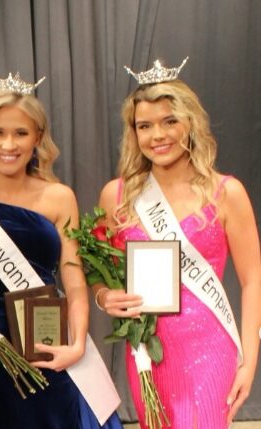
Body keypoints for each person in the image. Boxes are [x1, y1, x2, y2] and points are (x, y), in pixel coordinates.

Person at [0, 70, 122, 429]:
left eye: (20, 133)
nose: (9, 145)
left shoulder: (59, 197)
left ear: (37, 137)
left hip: (51, 344)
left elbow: (75, 281)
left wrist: (77, 345)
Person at [93, 58, 261, 428]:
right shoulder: (116, 196)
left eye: (170, 121)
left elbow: (253, 280)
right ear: (134, 133)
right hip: (147, 351)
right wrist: (104, 297)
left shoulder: (226, 192)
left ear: (191, 123)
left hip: (210, 347)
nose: (158, 135)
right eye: (145, 125)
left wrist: (250, 360)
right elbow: (98, 271)